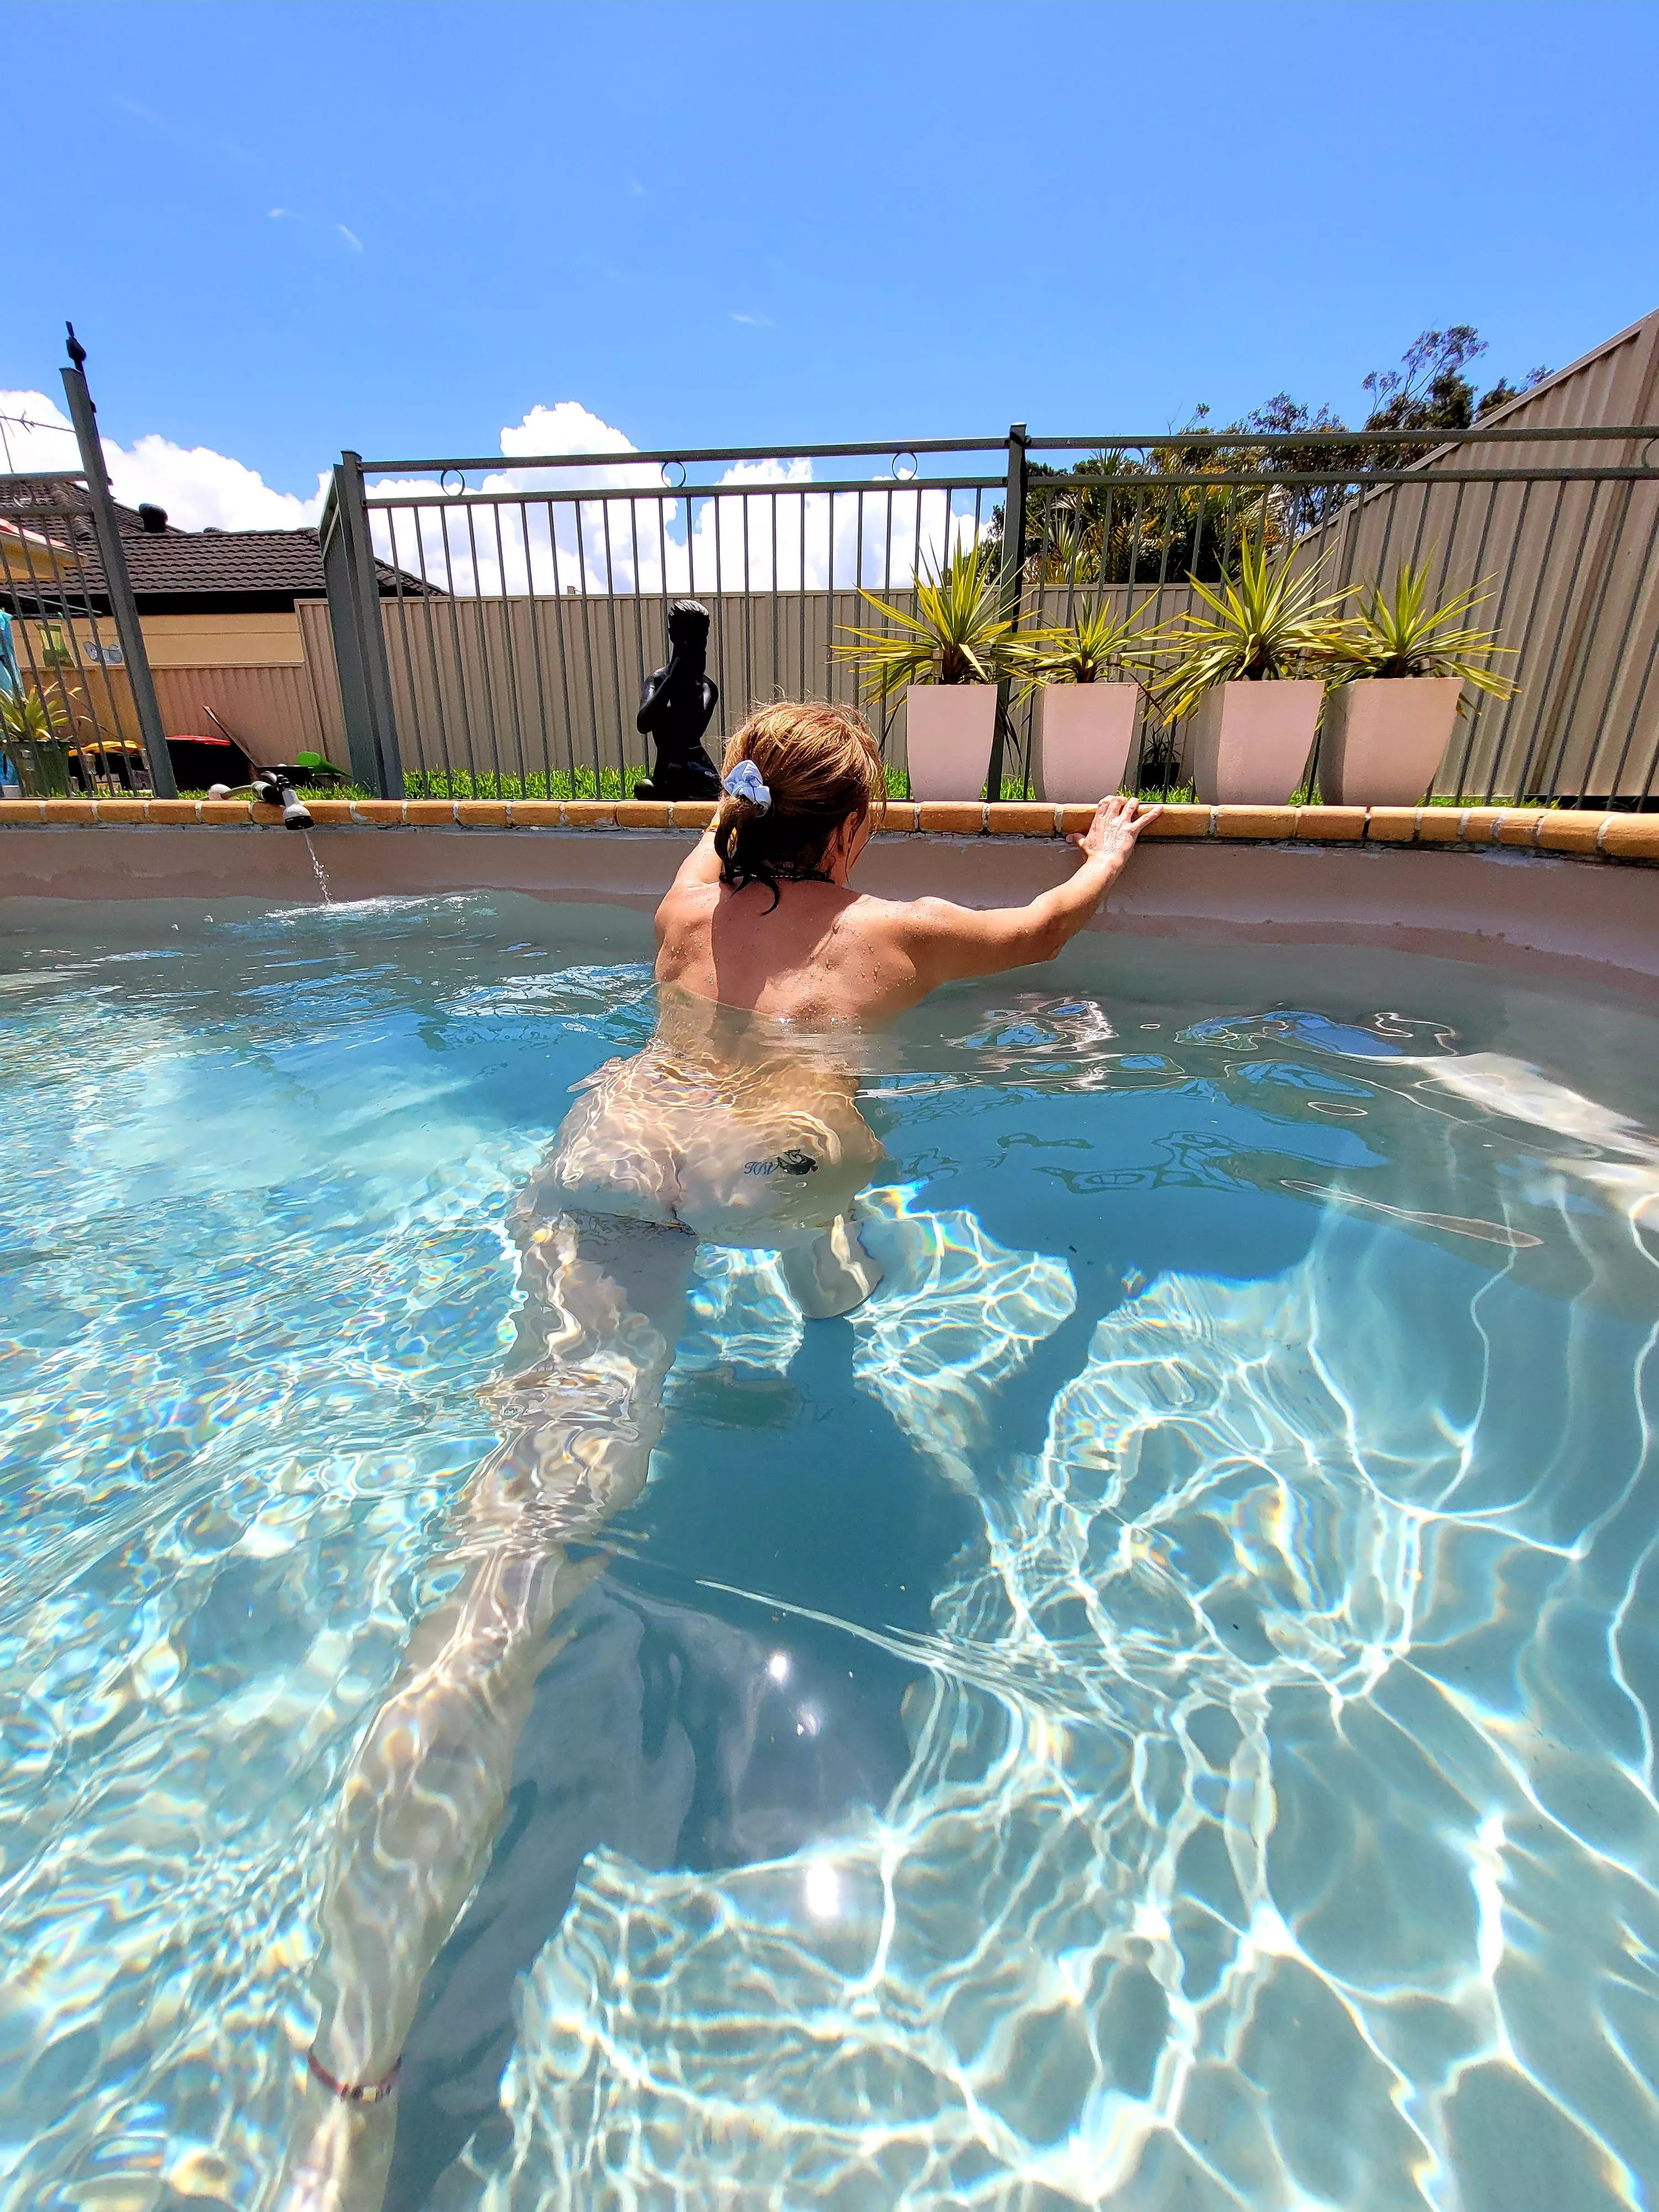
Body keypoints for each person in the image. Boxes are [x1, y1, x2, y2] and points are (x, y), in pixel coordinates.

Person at [279, 701, 1159, 2209]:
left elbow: (731, 828)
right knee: (831, 1158)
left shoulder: (685, 893)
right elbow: (1051, 934)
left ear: (739, 814)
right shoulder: (896, 931)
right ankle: (835, 1290)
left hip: (619, 1156)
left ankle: (349, 2075)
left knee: (517, 1553)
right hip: (777, 1168)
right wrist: (1111, 846)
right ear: (856, 836)